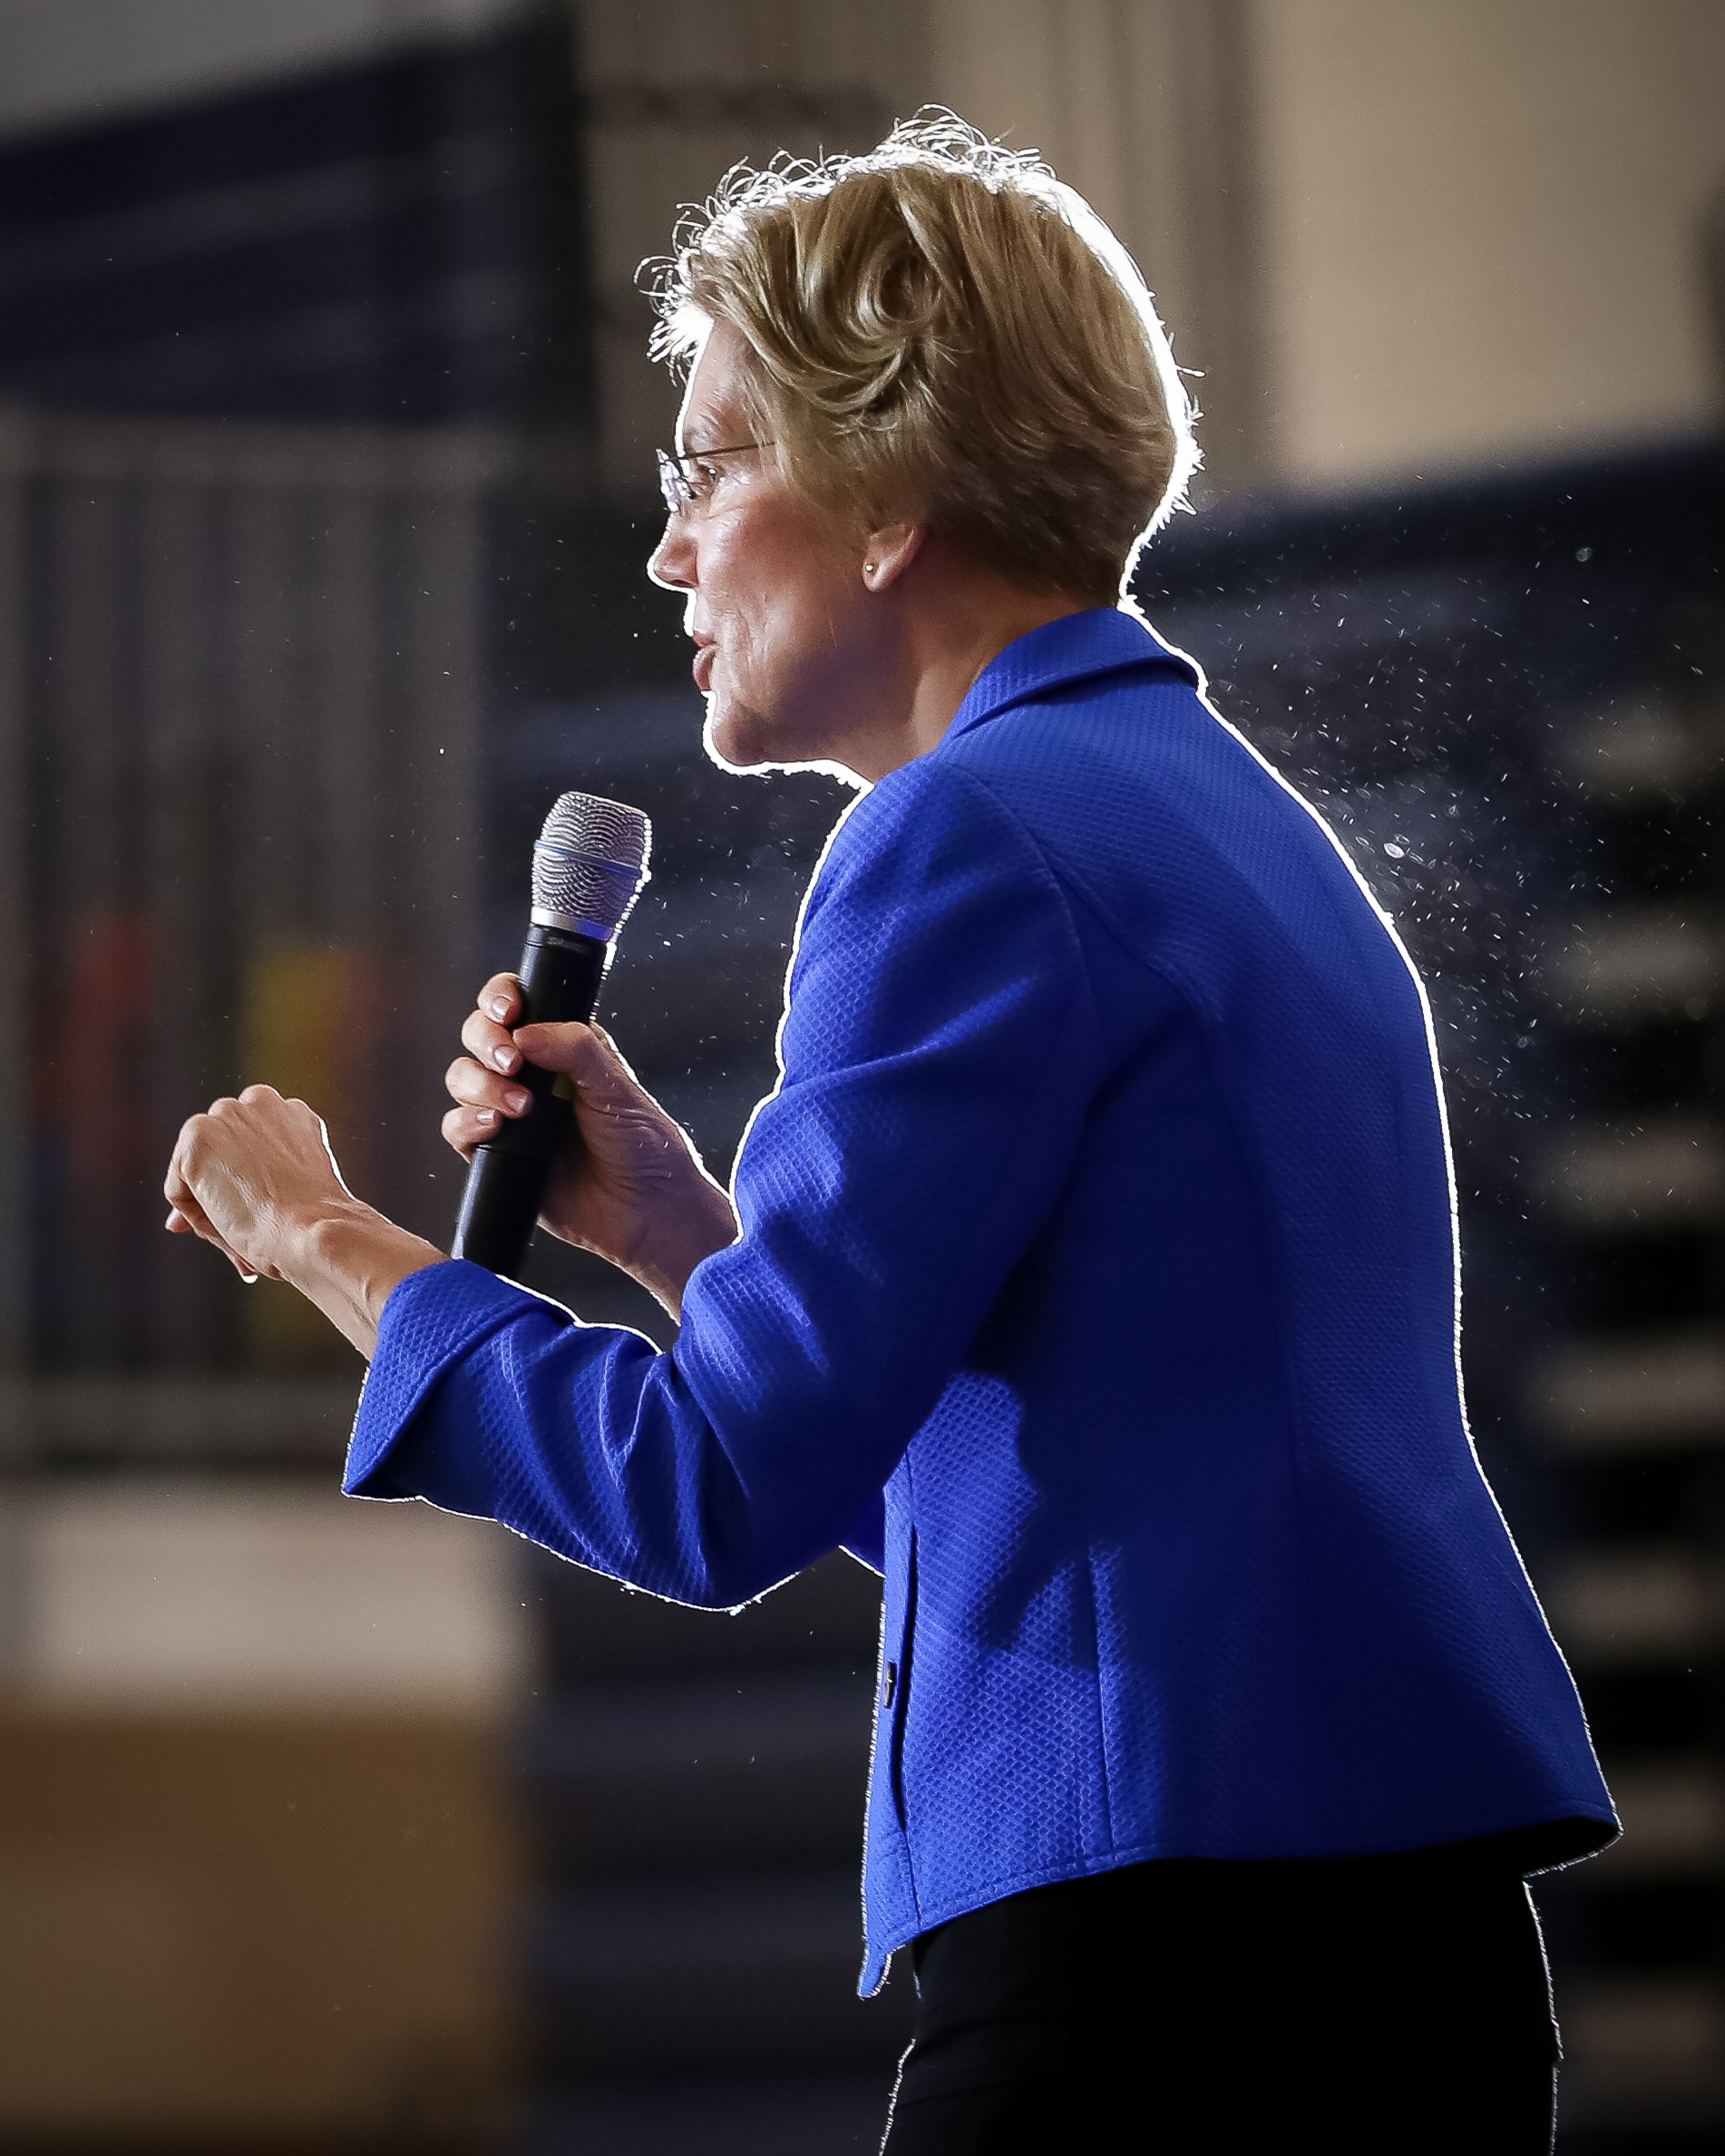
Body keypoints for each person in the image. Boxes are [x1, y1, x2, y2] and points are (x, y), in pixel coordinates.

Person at [166, 114, 1614, 2152]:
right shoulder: (1217, 813)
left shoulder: (959, 838)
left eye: (709, 463)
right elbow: (1079, 1465)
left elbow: (710, 1493)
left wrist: (322, 1231)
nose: (668, 548)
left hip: (1156, 1968)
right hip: (1390, 1951)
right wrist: (680, 1238)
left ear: (886, 492)